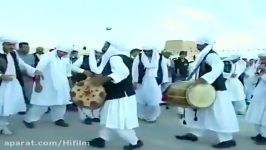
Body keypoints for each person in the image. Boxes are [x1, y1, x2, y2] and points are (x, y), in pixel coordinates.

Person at [175, 37, 239, 148]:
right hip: (204, 90)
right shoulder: (203, 56)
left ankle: (227, 139)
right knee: (199, 113)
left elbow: (219, 67)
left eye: (199, 44)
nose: (197, 46)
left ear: (206, 45)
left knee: (219, 114)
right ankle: (195, 133)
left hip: (214, 90)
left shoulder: (211, 55)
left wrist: (205, 79)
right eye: (197, 44)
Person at [88, 41, 143, 150]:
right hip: (119, 95)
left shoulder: (115, 58)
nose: (103, 48)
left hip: (120, 97)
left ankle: (135, 142)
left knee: (118, 122)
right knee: (108, 118)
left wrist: (103, 79)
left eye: (105, 46)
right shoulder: (125, 57)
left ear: (111, 47)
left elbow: (123, 72)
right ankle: (102, 139)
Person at [0, 36, 42, 135]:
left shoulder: (14, 54)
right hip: (1, 84)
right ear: (2, 44)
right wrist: (1, 76)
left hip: (12, 84)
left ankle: (2, 126)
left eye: (13, 45)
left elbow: (23, 65)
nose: (11, 47)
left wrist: (35, 71)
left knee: (8, 107)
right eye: (9, 44)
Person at [23, 45, 73, 128]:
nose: (62, 53)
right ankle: (28, 119)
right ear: (56, 50)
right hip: (46, 85)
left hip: (61, 86)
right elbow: (38, 71)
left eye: (65, 52)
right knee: (41, 105)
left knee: (61, 104)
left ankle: (58, 119)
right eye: (61, 51)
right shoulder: (47, 57)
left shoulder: (66, 59)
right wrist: (38, 84)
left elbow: (68, 74)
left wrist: (69, 87)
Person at [132, 46, 168, 123]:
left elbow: (164, 69)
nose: (147, 53)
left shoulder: (160, 57)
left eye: (149, 51)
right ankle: (140, 115)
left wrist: (165, 81)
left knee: (154, 99)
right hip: (142, 81)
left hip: (155, 80)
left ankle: (152, 117)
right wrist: (134, 81)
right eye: (145, 51)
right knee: (140, 99)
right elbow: (135, 69)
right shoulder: (139, 57)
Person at [71, 48, 103, 125]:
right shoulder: (84, 58)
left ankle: (95, 116)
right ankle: (86, 117)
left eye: (100, 53)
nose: (98, 55)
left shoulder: (104, 60)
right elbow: (72, 67)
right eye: (97, 52)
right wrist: (83, 71)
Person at [245, 53, 266, 145]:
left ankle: (264, 136)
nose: (261, 61)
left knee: (264, 117)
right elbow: (252, 81)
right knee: (257, 115)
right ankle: (260, 133)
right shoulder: (260, 68)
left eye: (263, 59)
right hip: (259, 95)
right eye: (261, 59)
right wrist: (257, 74)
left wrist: (263, 74)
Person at [17, 42, 35, 111]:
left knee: (30, 93)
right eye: (25, 47)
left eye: (28, 47)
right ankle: (21, 108)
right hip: (17, 77)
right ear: (20, 48)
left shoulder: (31, 56)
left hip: (28, 77)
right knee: (19, 93)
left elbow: (32, 66)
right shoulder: (16, 56)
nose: (27, 48)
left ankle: (31, 107)